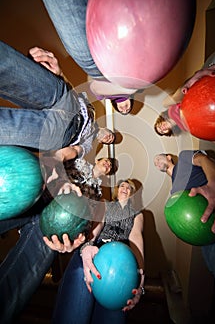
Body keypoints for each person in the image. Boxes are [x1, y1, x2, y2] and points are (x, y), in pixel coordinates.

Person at [0, 153, 116, 324]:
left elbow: (90, 228)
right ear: (98, 159)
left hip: (54, 228)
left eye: (111, 167)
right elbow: (52, 158)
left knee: (23, 276)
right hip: (36, 198)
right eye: (106, 160)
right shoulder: (78, 161)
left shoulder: (99, 198)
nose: (108, 164)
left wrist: (82, 242)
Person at [31, 0, 138, 106]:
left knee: (85, 53)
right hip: (121, 50)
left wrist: (125, 89)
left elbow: (95, 88)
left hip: (98, 65)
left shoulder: (103, 89)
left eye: (122, 111)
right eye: (127, 108)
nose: (124, 109)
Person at [153, 150, 215, 319]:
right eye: (154, 163)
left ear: (168, 157)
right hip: (209, 238)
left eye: (158, 158)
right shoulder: (175, 193)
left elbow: (207, 160)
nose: (156, 162)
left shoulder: (183, 158)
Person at [52, 179, 145, 324]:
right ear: (117, 190)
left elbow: (136, 238)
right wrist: (88, 245)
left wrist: (140, 276)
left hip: (120, 268)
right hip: (95, 253)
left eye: (129, 188)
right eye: (122, 185)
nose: (125, 188)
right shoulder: (105, 204)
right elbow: (98, 225)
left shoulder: (137, 214)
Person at [0, 41, 115, 154]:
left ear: (101, 141)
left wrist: (58, 159)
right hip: (64, 98)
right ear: (105, 128)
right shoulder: (93, 110)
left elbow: (74, 151)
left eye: (109, 142)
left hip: (63, 132)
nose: (109, 138)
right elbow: (75, 92)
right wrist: (60, 74)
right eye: (112, 135)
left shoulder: (89, 144)